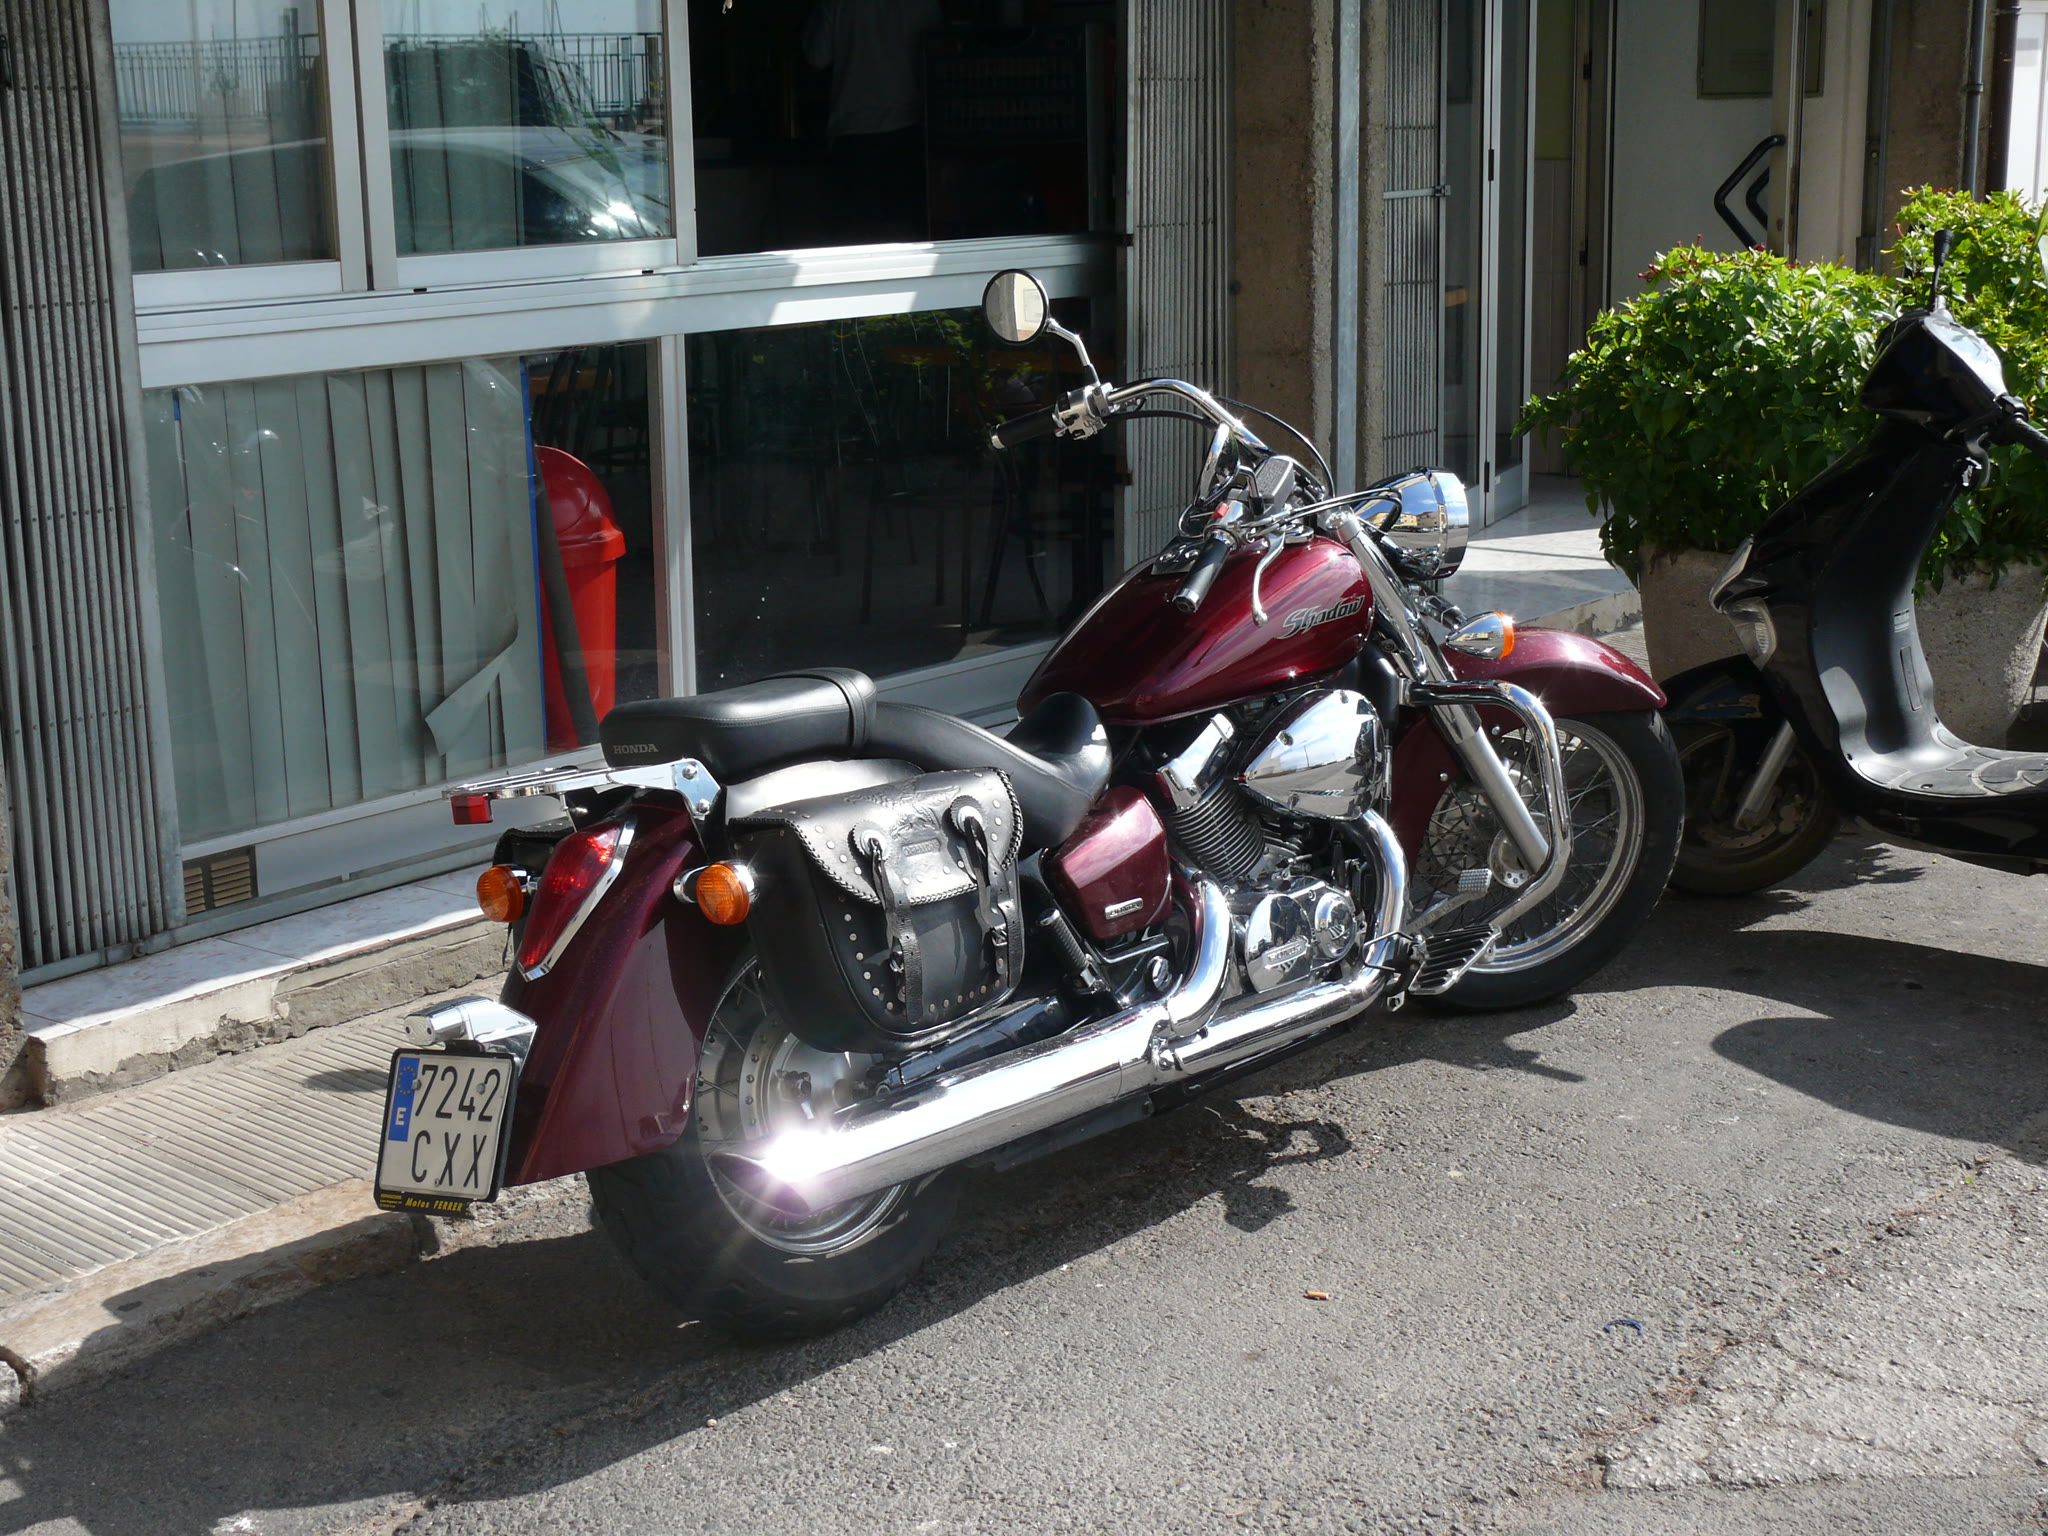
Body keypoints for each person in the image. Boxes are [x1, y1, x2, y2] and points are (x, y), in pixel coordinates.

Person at [801, 0, 945, 243]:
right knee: (907, 240)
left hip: (853, 135)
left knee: (854, 241)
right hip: (907, 132)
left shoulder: (838, 4)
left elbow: (815, 56)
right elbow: (938, 53)